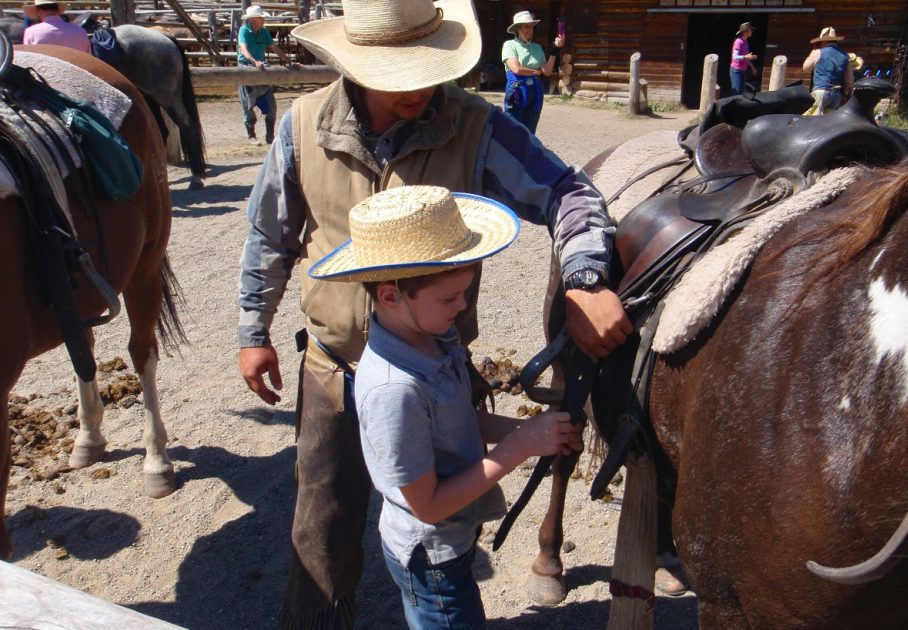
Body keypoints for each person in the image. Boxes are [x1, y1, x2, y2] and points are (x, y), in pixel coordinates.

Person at [237, 0, 631, 627]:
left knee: (448, 519)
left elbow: (567, 190)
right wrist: (253, 329)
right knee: (321, 525)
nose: (419, 88)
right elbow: (270, 235)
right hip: (332, 364)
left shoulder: (476, 126)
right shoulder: (302, 125)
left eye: (427, 69)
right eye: (398, 76)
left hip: (436, 365)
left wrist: (584, 279)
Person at [311, 185, 584, 628]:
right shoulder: (392, 390)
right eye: (450, 298)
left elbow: (456, 420)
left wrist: (526, 432)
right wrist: (519, 449)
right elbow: (430, 507)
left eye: (466, 291)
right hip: (430, 555)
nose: (462, 307)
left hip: (451, 539)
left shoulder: (433, 336)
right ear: (390, 296)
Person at [501, 10, 564, 134]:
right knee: (513, 128)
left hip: (535, 91)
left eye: (531, 26)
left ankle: (527, 153)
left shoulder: (537, 47)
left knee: (530, 130)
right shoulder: (510, 45)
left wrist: (555, 50)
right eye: (526, 26)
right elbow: (516, 69)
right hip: (517, 90)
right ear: (518, 29)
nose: (529, 29)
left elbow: (547, 71)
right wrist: (535, 72)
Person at [237, 5, 289, 145]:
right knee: (248, 105)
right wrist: (254, 61)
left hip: (261, 68)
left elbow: (274, 48)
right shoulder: (244, 31)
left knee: (271, 106)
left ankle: (269, 135)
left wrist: (288, 61)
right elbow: (243, 49)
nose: (263, 20)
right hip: (246, 67)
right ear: (254, 19)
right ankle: (251, 135)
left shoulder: (264, 32)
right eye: (261, 17)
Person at [802, 27, 853, 116]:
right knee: (829, 123)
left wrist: (813, 52)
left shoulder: (818, 52)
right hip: (836, 95)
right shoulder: (845, 55)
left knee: (812, 120)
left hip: (821, 92)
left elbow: (806, 68)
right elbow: (849, 79)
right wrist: (845, 93)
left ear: (824, 41)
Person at [22, 0, 91, 53]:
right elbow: (88, 57)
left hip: (43, 70)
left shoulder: (31, 32)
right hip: (77, 70)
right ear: (58, 11)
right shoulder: (80, 31)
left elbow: (29, 58)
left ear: (39, 11)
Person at [729, 22, 757, 96]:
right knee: (737, 94)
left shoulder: (745, 42)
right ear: (745, 31)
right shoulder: (738, 42)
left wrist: (752, 66)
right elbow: (735, 56)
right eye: (750, 30)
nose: (752, 31)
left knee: (741, 94)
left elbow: (746, 57)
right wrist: (746, 57)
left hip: (743, 70)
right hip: (736, 71)